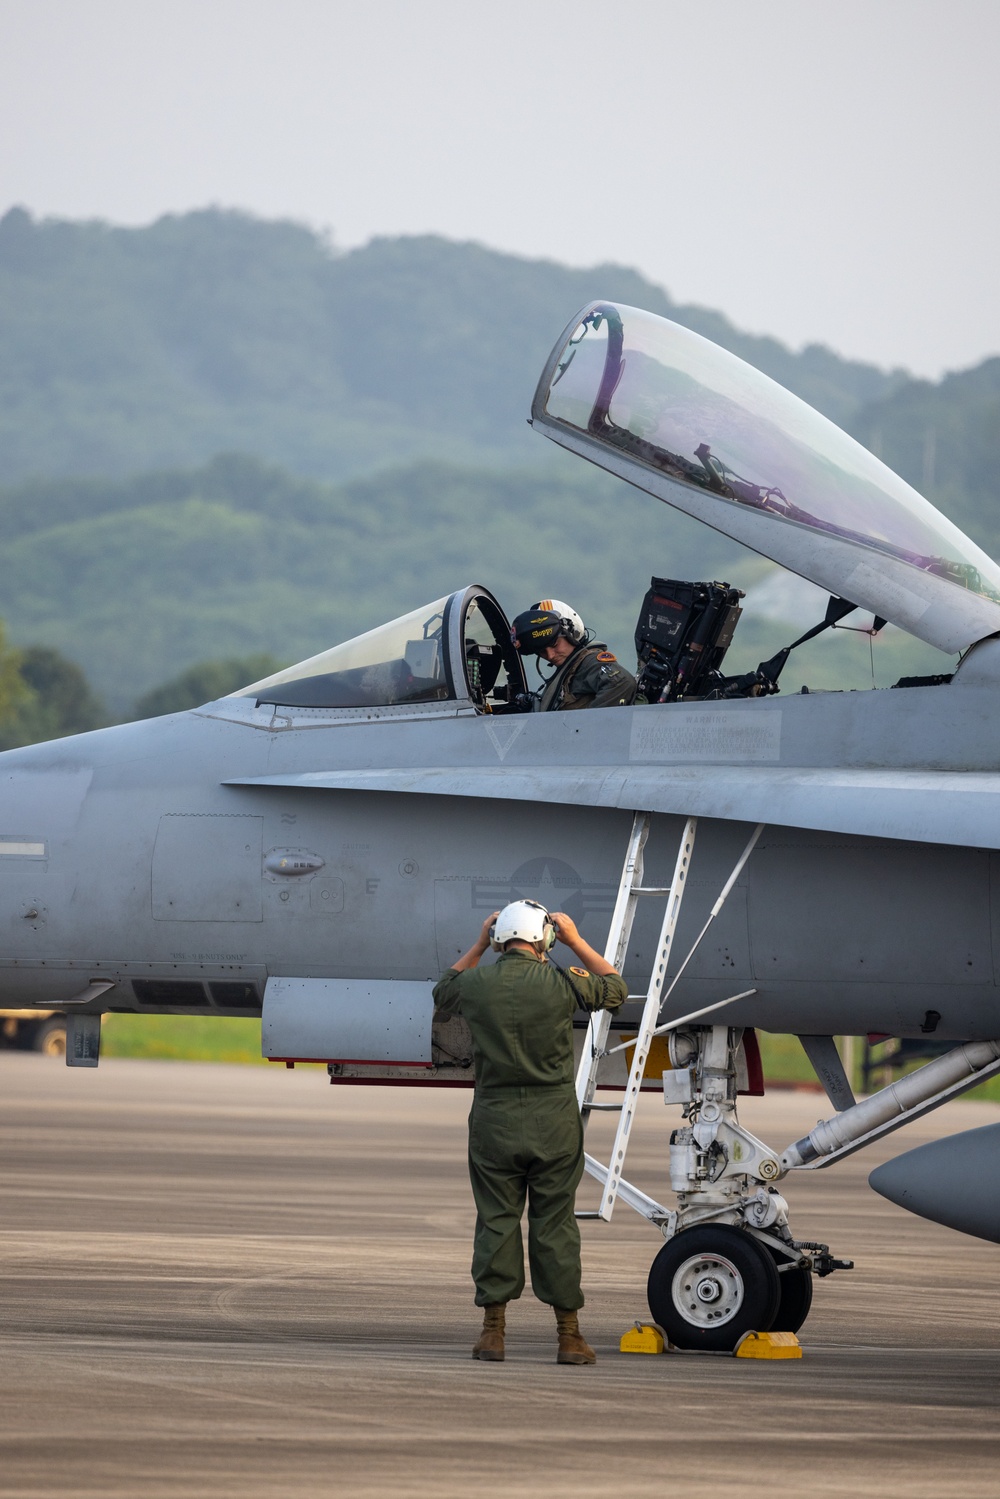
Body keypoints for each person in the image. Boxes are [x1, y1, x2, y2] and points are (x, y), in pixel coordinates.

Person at [433, 899, 628, 1364]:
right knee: (554, 1225)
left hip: (494, 1123)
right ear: (544, 938)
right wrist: (576, 940)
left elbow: (443, 991)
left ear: (501, 937)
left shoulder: (476, 985)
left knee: (496, 1220)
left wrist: (480, 942)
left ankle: (493, 1333)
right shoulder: (563, 982)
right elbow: (616, 989)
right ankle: (569, 1337)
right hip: (553, 1125)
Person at [510, 599, 637, 710]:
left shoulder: (589, 663)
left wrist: (585, 728)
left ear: (571, 632)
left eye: (554, 644)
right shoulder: (570, 671)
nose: (550, 656)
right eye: (542, 651)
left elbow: (621, 682)